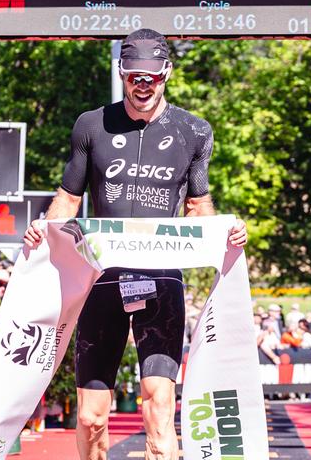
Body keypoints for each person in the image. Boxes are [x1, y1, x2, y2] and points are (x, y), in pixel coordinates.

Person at [22, 28, 247, 460]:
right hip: (101, 283)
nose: (143, 86)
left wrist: (227, 233)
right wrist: (43, 234)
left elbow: (198, 207)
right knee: (90, 416)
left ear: (166, 74)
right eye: (134, 76)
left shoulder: (193, 131)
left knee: (158, 406)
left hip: (161, 283)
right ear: (121, 73)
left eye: (152, 77)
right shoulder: (91, 125)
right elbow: (68, 199)